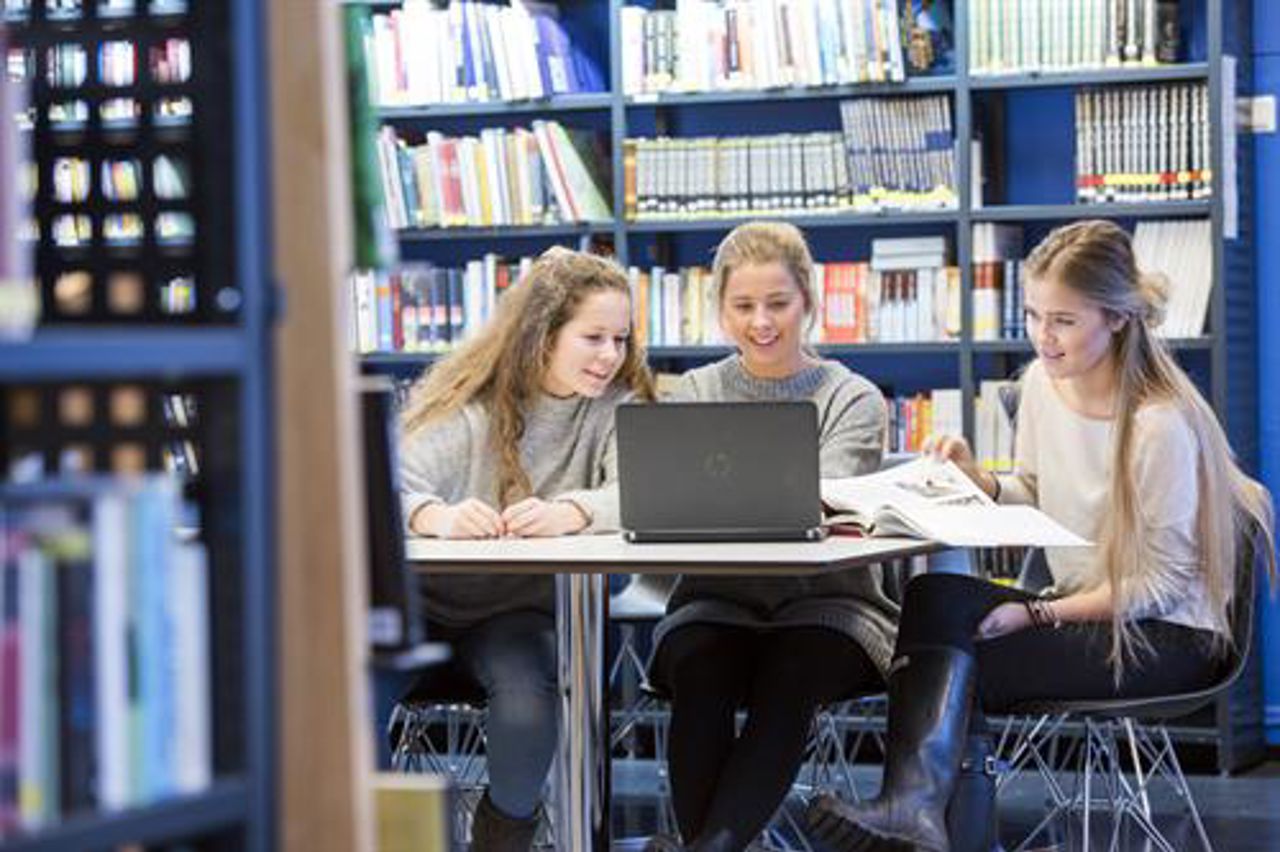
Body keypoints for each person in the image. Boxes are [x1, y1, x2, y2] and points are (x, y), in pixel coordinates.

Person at [808, 219, 1277, 852]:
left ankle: (925, 818)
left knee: (959, 662)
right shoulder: (1040, 384)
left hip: (1167, 635)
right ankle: (915, 813)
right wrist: (979, 480)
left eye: (1063, 320)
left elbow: (1161, 587)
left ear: (1116, 318)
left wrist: (1037, 613)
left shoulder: (1159, 424)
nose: (1042, 336)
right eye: (1033, 315)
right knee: (935, 599)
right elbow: (1034, 489)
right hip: (1084, 608)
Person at [645, 221, 896, 852]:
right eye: (743, 306)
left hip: (831, 610)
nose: (761, 322)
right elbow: (671, 499)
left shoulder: (853, 398)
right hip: (716, 603)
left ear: (807, 302)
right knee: (699, 666)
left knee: (791, 671)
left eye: (778, 304)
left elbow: (826, 498)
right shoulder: (696, 390)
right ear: (720, 310)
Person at [398, 247, 654, 851]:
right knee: (344, 700)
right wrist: (436, 516)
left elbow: (645, 492)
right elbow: (382, 483)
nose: (610, 355)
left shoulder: (616, 408)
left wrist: (573, 511)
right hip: (420, 609)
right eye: (593, 337)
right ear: (543, 335)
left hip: (518, 617)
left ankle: (501, 837)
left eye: (620, 339)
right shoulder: (472, 406)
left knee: (528, 705)